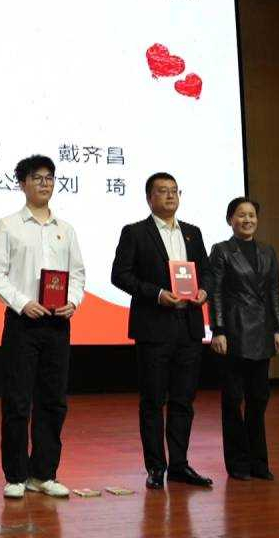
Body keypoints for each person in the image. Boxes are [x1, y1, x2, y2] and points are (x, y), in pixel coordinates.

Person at [0, 155, 86, 499]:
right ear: (22, 183)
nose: (44, 184)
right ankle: (15, 475)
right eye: (37, 178)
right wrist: (22, 302)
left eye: (49, 178)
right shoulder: (8, 226)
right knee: (17, 401)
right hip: (23, 322)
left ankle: (43, 473)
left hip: (58, 323)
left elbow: (78, 274)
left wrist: (73, 301)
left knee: (54, 401)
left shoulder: (65, 229)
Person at [110, 172, 214, 489]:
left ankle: (180, 465)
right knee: (153, 401)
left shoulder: (193, 233)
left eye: (174, 190)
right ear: (149, 197)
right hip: (154, 327)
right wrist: (156, 294)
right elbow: (120, 275)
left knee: (183, 400)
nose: (170, 196)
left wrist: (204, 292)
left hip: (189, 326)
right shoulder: (135, 232)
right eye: (162, 191)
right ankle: (156, 467)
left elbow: (207, 274)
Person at [209, 197, 279, 480]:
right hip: (234, 332)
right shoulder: (221, 250)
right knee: (233, 400)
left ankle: (259, 462)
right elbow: (215, 292)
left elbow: (274, 291)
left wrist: (277, 328)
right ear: (230, 220)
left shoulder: (267, 251)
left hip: (263, 332)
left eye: (252, 215)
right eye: (241, 215)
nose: (247, 220)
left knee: (259, 399)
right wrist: (218, 330)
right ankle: (238, 464)